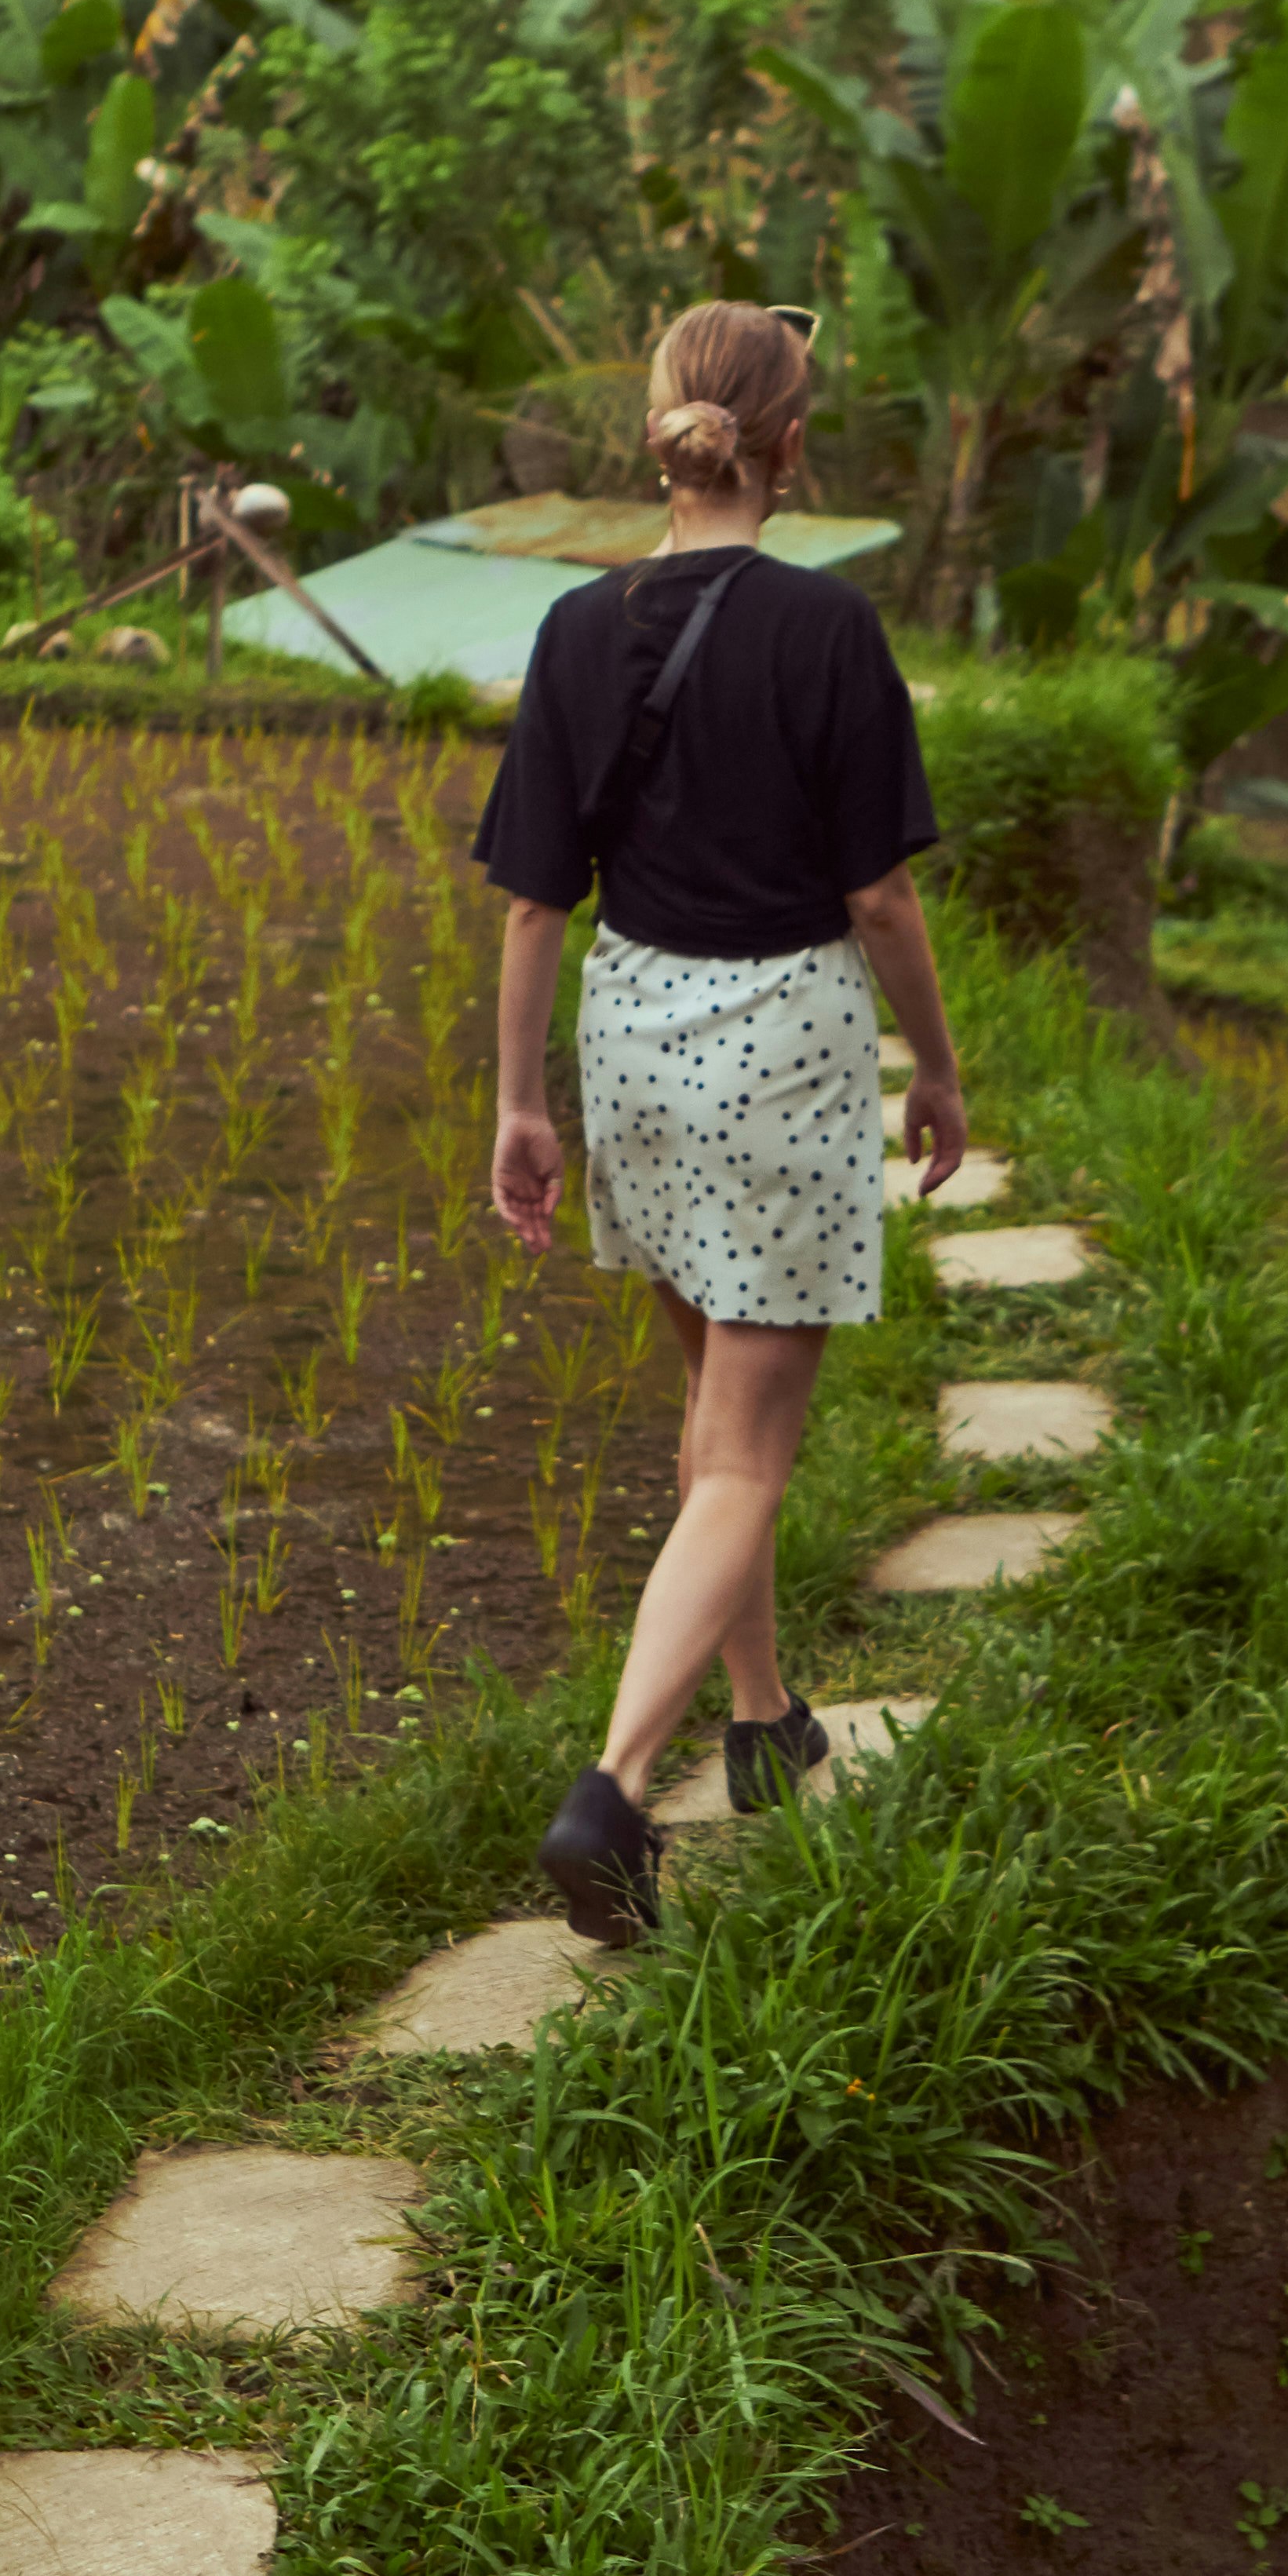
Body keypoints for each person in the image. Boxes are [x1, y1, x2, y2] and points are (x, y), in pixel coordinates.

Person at [475, 298, 966, 1944]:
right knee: (750, 1453)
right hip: (775, 1050)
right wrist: (941, 1071)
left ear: (660, 432)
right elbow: (879, 896)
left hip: (630, 1040)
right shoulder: (823, 632)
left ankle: (763, 1725)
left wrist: (517, 1104)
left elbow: (534, 903)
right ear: (791, 446)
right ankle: (611, 1794)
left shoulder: (571, 630)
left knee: (710, 1412)